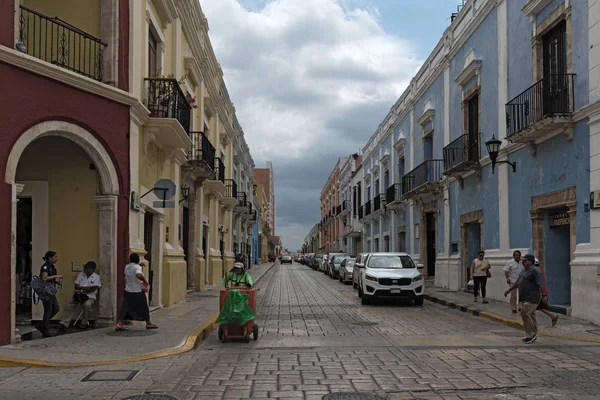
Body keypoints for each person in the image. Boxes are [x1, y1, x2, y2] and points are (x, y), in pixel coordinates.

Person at [504, 253, 546, 344]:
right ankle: (533, 333)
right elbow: (518, 282)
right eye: (522, 261)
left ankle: (530, 335)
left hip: (532, 297)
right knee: (531, 315)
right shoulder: (524, 270)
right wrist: (509, 290)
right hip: (524, 297)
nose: (523, 262)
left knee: (525, 313)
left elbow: (541, 283)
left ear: (530, 261)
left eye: (525, 261)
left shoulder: (535, 271)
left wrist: (544, 295)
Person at [115, 253, 157, 331]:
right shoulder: (137, 267)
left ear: (130, 259)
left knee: (125, 307)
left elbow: (133, 270)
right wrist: (145, 282)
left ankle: (119, 323)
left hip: (128, 290)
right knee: (144, 306)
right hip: (137, 291)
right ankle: (148, 323)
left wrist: (139, 266)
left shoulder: (127, 267)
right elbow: (138, 275)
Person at [58, 261, 101, 332]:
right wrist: (85, 288)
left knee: (87, 305)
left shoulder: (97, 277)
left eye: (87, 269)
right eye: (85, 268)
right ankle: (64, 323)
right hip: (78, 296)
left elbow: (92, 289)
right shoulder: (81, 274)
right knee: (69, 306)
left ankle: (84, 323)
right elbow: (76, 286)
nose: (85, 270)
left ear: (92, 269)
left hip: (89, 297)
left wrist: (81, 288)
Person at [36, 251, 63, 337]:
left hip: (50, 290)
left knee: (56, 308)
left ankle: (43, 324)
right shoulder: (45, 266)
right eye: (55, 257)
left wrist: (56, 282)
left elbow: (49, 279)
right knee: (48, 309)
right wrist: (56, 276)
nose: (56, 259)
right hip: (45, 291)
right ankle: (45, 328)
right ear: (49, 258)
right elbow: (44, 278)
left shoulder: (51, 267)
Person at [534, 258, 559, 327]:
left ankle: (553, 316)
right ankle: (552, 316)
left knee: (535, 306)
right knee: (538, 307)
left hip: (539, 292)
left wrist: (543, 294)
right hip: (541, 291)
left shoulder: (536, 270)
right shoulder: (539, 269)